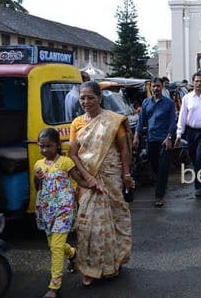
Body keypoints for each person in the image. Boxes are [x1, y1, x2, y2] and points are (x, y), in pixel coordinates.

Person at [68, 81, 134, 286]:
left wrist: (126, 174)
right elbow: (73, 154)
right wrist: (88, 178)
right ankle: (90, 268)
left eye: (90, 97)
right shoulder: (77, 123)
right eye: (82, 98)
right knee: (88, 225)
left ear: (100, 98)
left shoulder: (113, 120)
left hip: (111, 178)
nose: (86, 102)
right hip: (89, 182)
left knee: (114, 221)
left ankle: (113, 263)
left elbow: (124, 150)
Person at [34, 128, 92, 298]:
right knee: (54, 245)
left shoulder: (66, 162)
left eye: (49, 146)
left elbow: (79, 180)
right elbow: (37, 187)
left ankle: (54, 286)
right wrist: (38, 178)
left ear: (58, 145)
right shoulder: (38, 164)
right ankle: (73, 254)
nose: (45, 150)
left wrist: (93, 184)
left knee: (57, 247)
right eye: (41, 146)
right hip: (46, 210)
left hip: (64, 209)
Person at [133, 78, 177, 207]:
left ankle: (159, 196)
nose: (156, 88)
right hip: (151, 139)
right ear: (151, 87)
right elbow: (141, 121)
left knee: (163, 168)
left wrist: (169, 137)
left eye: (158, 86)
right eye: (154, 86)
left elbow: (172, 122)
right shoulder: (146, 103)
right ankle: (162, 184)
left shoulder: (169, 103)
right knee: (155, 166)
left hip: (164, 140)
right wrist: (136, 136)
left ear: (162, 87)